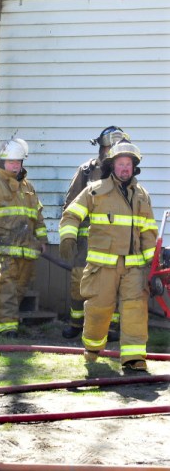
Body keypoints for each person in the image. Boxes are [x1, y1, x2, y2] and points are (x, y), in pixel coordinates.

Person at [59, 141, 157, 371]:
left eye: (129, 164)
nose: (125, 168)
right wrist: (68, 238)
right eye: (121, 164)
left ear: (134, 168)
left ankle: (133, 358)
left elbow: (148, 231)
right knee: (99, 309)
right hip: (102, 266)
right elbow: (71, 214)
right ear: (112, 166)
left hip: (134, 267)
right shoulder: (96, 190)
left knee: (135, 310)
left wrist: (152, 264)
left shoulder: (141, 195)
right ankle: (92, 349)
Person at [61, 127, 129, 341]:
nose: (112, 152)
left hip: (116, 240)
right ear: (102, 148)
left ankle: (111, 327)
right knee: (79, 280)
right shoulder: (87, 171)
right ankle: (76, 323)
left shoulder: (125, 173)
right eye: (109, 147)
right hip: (87, 240)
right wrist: (68, 236)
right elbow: (71, 204)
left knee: (114, 282)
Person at [0, 138, 47, 338]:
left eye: (19, 161)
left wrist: (42, 240)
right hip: (2, 250)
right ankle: (8, 329)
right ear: (2, 162)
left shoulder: (28, 187)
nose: (16, 165)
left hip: (26, 251)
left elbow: (37, 217)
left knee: (19, 290)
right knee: (5, 289)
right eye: (11, 161)